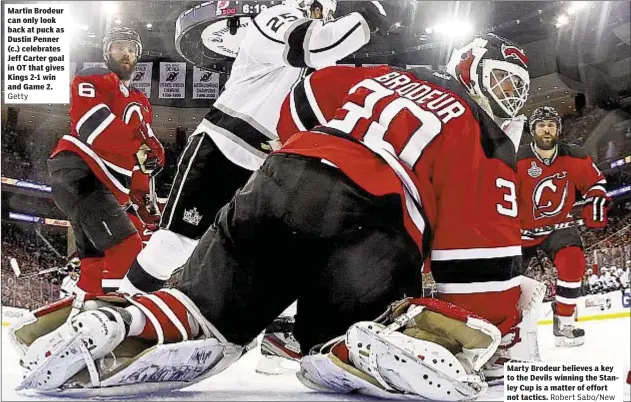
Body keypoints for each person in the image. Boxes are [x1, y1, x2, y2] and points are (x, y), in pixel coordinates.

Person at [14, 34, 541, 399]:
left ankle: (121, 319)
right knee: (349, 332)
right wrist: (495, 326)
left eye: (517, 88)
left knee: (203, 312)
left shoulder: (382, 75)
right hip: (375, 218)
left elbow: (301, 100)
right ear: (471, 69)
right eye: (502, 81)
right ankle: (376, 341)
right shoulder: (485, 136)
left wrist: (311, 159)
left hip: (275, 183)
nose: (508, 97)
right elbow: (479, 254)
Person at [117, 0, 397, 295]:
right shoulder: (274, 18)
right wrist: (369, 16)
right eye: (323, 10)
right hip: (222, 147)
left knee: (245, 267)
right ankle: (119, 309)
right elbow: (320, 44)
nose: (325, 17)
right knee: (175, 245)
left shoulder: (321, 62)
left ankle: (238, 341)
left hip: (267, 166)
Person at [47, 27, 165, 294]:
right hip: (79, 172)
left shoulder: (140, 101)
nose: (126, 53)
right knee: (127, 249)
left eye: (131, 49)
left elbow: (144, 154)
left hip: (108, 185)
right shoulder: (93, 78)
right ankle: (116, 320)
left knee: (95, 263)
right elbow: (93, 126)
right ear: (106, 52)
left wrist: (147, 196)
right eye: (119, 47)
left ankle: (83, 307)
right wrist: (141, 149)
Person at [517, 106, 608, 347]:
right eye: (541, 125)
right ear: (532, 129)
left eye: (551, 125)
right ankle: (509, 329)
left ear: (558, 129)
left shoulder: (574, 155)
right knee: (509, 283)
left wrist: (595, 198)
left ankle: (564, 321)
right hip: (520, 232)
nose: (546, 129)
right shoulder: (517, 157)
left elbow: (595, 181)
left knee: (574, 263)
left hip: (558, 226)